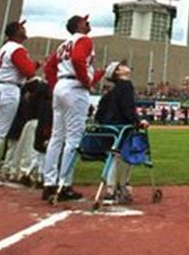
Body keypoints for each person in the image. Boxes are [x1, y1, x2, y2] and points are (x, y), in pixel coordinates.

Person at [42, 14, 101, 202]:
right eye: (85, 21)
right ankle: (64, 184)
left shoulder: (63, 44)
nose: (88, 23)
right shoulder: (84, 40)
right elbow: (77, 59)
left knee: (56, 137)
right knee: (73, 139)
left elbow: (49, 68)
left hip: (61, 85)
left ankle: (49, 183)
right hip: (75, 87)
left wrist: (55, 86)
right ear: (79, 25)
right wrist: (86, 81)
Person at [0, 21, 38, 187]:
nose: (25, 29)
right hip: (7, 88)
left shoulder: (4, 47)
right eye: (22, 27)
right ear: (17, 32)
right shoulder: (17, 48)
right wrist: (35, 65)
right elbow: (29, 72)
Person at [94, 60, 147, 203]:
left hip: (108, 128)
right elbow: (128, 107)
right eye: (121, 66)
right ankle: (122, 186)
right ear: (117, 72)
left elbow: (99, 113)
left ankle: (111, 189)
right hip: (121, 127)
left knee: (112, 157)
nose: (126, 67)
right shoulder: (126, 86)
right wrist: (138, 121)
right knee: (127, 156)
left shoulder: (110, 93)